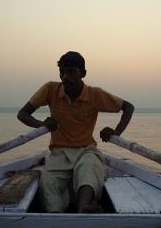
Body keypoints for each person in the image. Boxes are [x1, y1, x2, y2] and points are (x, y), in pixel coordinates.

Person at [17, 51, 134, 214]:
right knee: (48, 182)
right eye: (62, 72)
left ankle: (83, 208)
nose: (65, 77)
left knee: (89, 168)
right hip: (58, 153)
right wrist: (42, 124)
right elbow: (22, 114)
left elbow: (128, 107)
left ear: (83, 74)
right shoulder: (50, 89)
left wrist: (116, 133)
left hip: (86, 149)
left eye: (71, 72)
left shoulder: (94, 94)